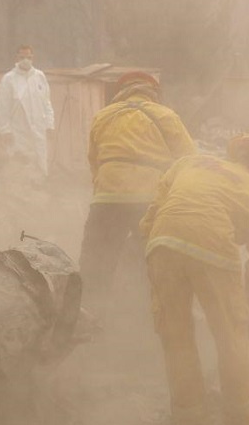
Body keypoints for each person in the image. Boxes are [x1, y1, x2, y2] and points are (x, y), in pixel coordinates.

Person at [139, 135, 249, 425]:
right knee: (232, 338)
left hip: (161, 243)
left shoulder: (189, 162)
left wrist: (162, 251)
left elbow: (151, 216)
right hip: (213, 245)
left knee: (176, 340)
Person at [80, 71, 196, 312]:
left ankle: (90, 314)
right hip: (149, 200)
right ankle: (148, 313)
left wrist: (103, 189)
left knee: (96, 262)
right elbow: (189, 160)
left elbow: (94, 161)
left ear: (121, 92)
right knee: (151, 258)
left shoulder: (102, 116)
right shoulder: (166, 115)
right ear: (153, 92)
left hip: (106, 198)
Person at [0, 45, 55, 177]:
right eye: (22, 57)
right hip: (18, 131)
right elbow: (1, 107)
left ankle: (42, 189)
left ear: (33, 58)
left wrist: (50, 125)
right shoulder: (9, 79)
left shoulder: (39, 77)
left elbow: (47, 103)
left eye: (28, 57)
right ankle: (22, 192)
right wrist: (5, 130)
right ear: (17, 58)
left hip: (39, 129)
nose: (25, 60)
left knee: (41, 162)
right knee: (21, 164)